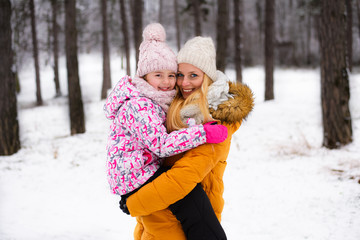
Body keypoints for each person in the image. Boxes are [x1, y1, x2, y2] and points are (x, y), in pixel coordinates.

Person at [103, 23, 228, 238]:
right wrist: (202, 133)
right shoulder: (139, 105)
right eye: (158, 75)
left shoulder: (156, 100)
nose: (167, 82)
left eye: (171, 75)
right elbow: (161, 144)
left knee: (191, 204)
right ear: (143, 76)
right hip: (136, 175)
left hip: (141, 171)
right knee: (192, 200)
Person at [124, 36, 255, 240]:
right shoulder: (173, 108)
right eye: (180, 75)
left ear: (208, 78)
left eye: (193, 75)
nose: (184, 83)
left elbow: (182, 177)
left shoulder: (216, 121)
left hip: (184, 227)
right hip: (155, 218)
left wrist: (132, 202)